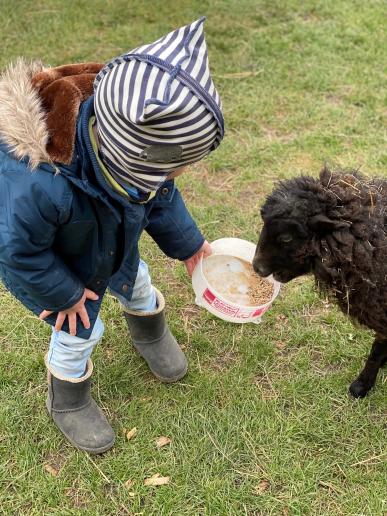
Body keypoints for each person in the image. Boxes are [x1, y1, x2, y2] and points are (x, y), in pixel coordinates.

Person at [0, 17, 224, 453]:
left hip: (112, 245)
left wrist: (189, 243)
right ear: (129, 158)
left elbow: (160, 197)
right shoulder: (39, 184)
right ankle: (67, 395)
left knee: (138, 282)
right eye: (168, 171)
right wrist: (61, 294)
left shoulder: (131, 159)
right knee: (79, 330)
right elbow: (15, 250)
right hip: (66, 271)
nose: (171, 179)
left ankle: (149, 331)